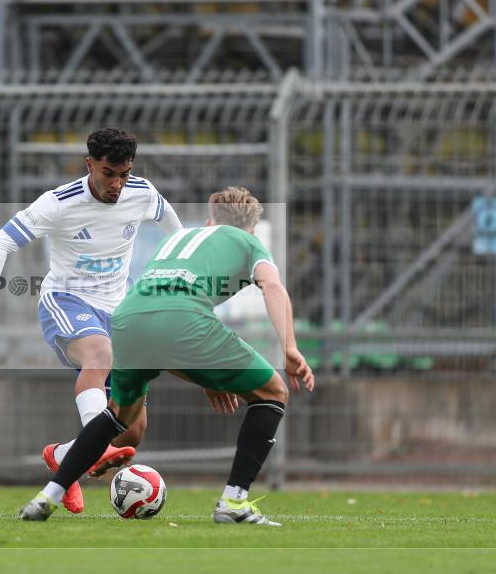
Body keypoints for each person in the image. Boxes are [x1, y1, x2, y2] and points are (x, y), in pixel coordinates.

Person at [19, 186, 314, 524]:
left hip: (129, 318)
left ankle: (46, 497)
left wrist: (207, 375)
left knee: (118, 414)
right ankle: (234, 503)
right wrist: (289, 347)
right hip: (183, 319)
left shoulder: (179, 240)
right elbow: (273, 287)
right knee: (273, 392)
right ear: (249, 228)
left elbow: (165, 316)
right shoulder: (248, 242)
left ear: (208, 222)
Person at [0, 128, 183, 514]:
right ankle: (96, 454)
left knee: (133, 429)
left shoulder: (143, 193)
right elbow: (0, 242)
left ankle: (64, 454)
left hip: (120, 310)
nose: (117, 184)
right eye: (108, 173)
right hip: (65, 300)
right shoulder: (58, 203)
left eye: (124, 174)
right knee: (98, 353)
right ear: (90, 165)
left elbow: (176, 230)